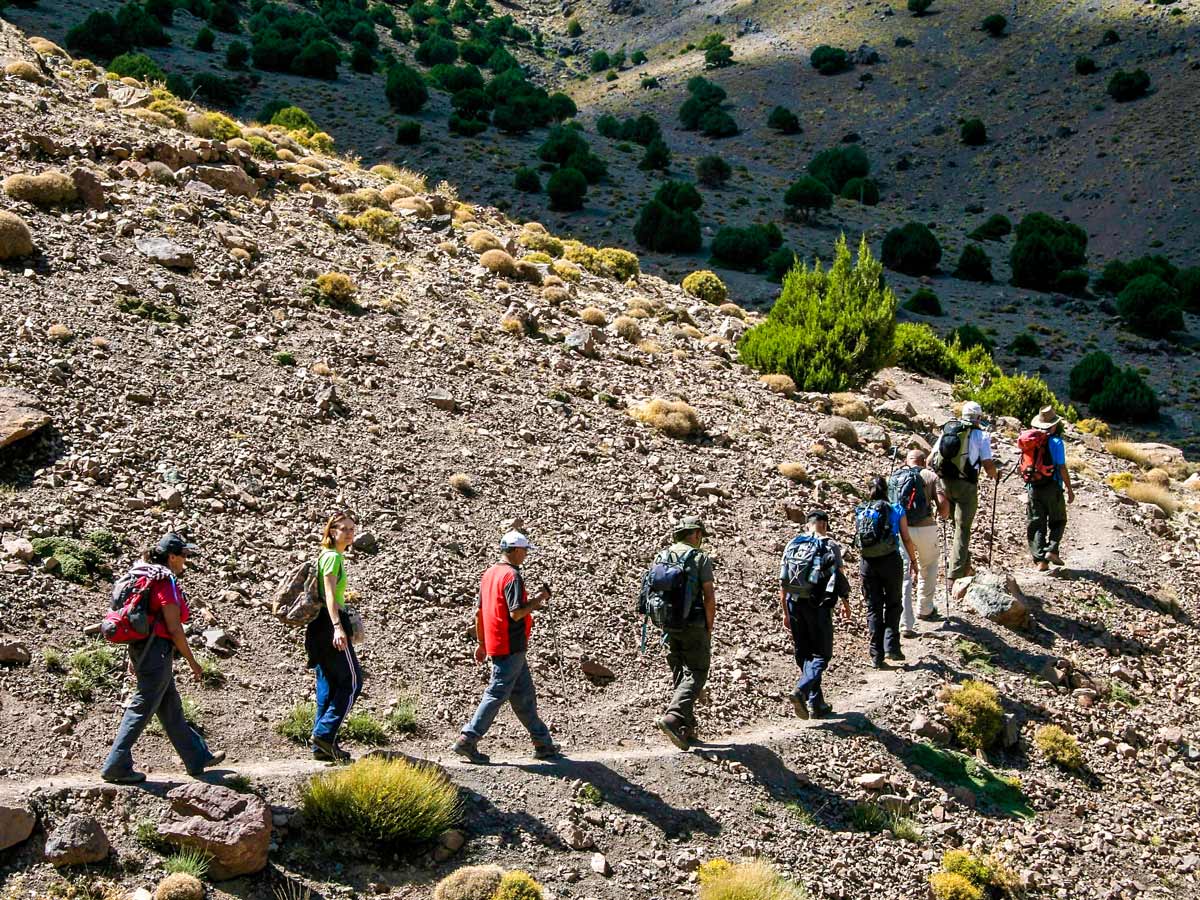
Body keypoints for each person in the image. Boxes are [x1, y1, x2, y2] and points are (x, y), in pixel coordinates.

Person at [101, 534, 224, 783]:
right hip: (156, 650)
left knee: (170, 706)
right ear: (172, 556)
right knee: (143, 704)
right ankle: (116, 764)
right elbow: (174, 627)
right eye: (184, 556)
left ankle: (196, 757)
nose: (185, 562)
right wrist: (192, 661)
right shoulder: (164, 580)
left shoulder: (141, 574)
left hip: (143, 649)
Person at [453, 530, 560, 764]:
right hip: (511, 644)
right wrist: (540, 598)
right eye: (524, 551)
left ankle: (543, 743)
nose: (525, 555)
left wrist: (482, 643)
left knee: (524, 695)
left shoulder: (489, 574)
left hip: (498, 643)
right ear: (515, 550)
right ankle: (468, 739)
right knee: (496, 693)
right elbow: (516, 613)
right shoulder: (512, 576)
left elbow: (479, 613)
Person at [779, 510, 851, 719]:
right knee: (821, 654)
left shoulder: (792, 544)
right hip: (818, 606)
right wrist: (846, 603)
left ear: (807, 525)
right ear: (825, 525)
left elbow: (782, 582)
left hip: (794, 603)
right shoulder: (830, 545)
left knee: (804, 654)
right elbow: (839, 577)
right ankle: (801, 690)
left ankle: (815, 703)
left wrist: (785, 611)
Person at [652, 515, 716, 750]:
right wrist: (709, 625)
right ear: (696, 534)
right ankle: (673, 717)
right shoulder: (699, 558)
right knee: (698, 670)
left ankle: (684, 726)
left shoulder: (662, 555)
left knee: (679, 670)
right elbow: (709, 597)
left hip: (667, 623)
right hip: (693, 623)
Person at [305, 511, 363, 762]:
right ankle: (324, 734)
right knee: (352, 682)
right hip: (329, 626)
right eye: (344, 529)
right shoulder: (331, 558)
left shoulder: (331, 556)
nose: (349, 533)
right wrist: (338, 626)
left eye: (352, 529)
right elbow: (329, 594)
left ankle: (321, 747)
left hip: (319, 627)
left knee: (328, 686)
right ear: (332, 532)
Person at [855, 477, 919, 669]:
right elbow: (906, 538)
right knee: (893, 603)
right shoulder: (896, 509)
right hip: (891, 561)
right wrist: (913, 561)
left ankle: (876, 655)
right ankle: (892, 646)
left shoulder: (861, 510)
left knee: (873, 607)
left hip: (867, 563)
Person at [934, 400, 999, 580]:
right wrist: (996, 475)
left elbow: (931, 458)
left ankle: (965, 565)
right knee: (963, 528)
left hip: (944, 483)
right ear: (978, 417)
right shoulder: (980, 435)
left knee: (956, 527)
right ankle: (955, 573)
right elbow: (987, 464)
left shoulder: (949, 430)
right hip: (966, 486)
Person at [890, 448, 950, 637]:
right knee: (929, 564)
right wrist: (945, 512)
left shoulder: (895, 476)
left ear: (907, 461)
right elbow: (943, 507)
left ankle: (905, 623)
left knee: (905, 573)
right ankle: (925, 608)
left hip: (901, 529)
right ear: (924, 461)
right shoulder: (930, 476)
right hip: (925, 528)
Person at [1026, 406, 1074, 571]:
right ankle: (1052, 550)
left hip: (1033, 486)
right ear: (1053, 426)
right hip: (1052, 486)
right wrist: (1069, 488)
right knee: (1058, 519)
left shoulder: (1030, 439)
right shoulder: (1056, 441)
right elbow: (1061, 467)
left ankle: (1041, 561)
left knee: (1036, 523)